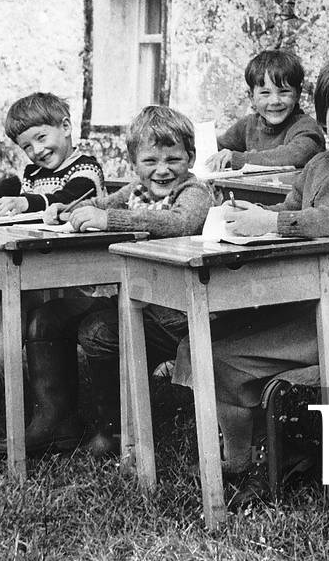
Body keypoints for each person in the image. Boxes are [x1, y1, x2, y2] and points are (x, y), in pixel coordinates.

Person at [173, 55, 329, 504]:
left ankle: (253, 462)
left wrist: (272, 225)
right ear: (322, 119)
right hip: (317, 306)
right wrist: (252, 216)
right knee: (204, 343)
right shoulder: (316, 165)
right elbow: (287, 211)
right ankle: (255, 457)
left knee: (219, 354)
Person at [21, 105, 214, 455]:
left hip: (178, 314)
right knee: (49, 318)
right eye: (150, 161)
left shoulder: (194, 192)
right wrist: (67, 211)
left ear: (191, 157)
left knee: (97, 330)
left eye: (173, 159)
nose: (162, 170)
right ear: (133, 163)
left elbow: (182, 223)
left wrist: (109, 220)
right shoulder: (135, 191)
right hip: (139, 301)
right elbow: (99, 202)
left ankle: (115, 430)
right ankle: (57, 421)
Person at [0, 92, 105, 415]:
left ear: (66, 126)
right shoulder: (33, 173)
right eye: (27, 147)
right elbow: (9, 186)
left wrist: (25, 204)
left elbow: (67, 199)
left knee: (15, 303)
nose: (37, 151)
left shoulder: (87, 169)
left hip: (71, 279)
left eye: (41, 138)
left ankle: (1, 380)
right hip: (28, 269)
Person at [203, 49, 324, 172]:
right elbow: (214, 149)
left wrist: (238, 159)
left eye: (284, 92)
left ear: (298, 94)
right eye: (265, 93)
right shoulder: (248, 125)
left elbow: (298, 155)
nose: (275, 101)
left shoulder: (305, 126)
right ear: (251, 97)